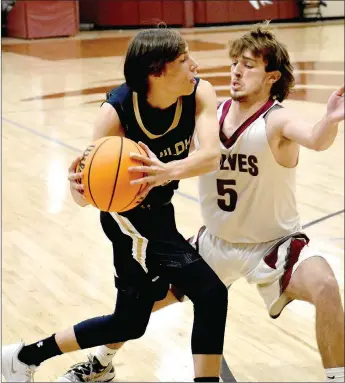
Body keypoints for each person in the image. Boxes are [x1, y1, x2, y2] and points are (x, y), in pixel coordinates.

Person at [56, 23, 344, 383]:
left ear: (272, 77)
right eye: (235, 62)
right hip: (214, 242)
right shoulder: (209, 113)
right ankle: (101, 362)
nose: (236, 70)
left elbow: (315, 139)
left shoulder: (278, 118)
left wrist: (330, 121)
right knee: (140, 305)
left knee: (326, 285)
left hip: (272, 245)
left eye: (249, 65)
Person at [2, 28, 230, 383]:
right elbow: (91, 195)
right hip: (128, 222)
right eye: (184, 60)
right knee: (211, 294)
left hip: (161, 213)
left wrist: (164, 172)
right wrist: (78, 186)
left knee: (130, 323)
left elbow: (211, 156)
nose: (195, 66)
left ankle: (23, 358)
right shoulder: (116, 113)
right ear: (157, 71)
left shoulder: (199, 92)